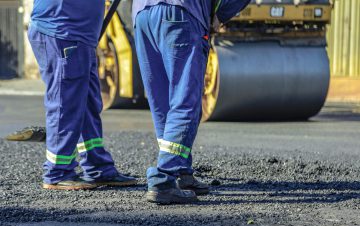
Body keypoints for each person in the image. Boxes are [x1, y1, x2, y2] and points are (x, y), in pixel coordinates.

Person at [133, 0, 250, 204]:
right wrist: (222, 14)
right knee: (185, 99)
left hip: (142, 16)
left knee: (163, 102)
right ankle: (165, 178)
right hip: (181, 14)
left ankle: (180, 172)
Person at [28, 0, 137, 190]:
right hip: (63, 31)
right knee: (65, 103)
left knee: (87, 104)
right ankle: (57, 172)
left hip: (78, 35)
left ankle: (97, 167)